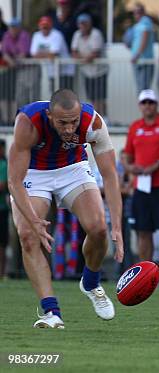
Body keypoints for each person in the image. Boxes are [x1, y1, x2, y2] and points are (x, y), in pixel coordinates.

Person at [8, 89, 123, 328]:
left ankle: (91, 282)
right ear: (49, 115)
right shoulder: (28, 122)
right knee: (28, 236)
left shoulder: (93, 122)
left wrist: (118, 227)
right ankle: (51, 312)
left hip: (72, 168)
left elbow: (110, 176)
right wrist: (34, 220)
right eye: (62, 122)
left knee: (99, 228)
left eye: (74, 122)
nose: (70, 129)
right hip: (33, 172)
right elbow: (14, 181)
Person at [123, 89, 159, 261]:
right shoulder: (135, 127)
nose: (147, 106)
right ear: (140, 106)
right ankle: (145, 271)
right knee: (142, 230)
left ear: (157, 105)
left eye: (151, 102)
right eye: (144, 103)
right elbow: (127, 155)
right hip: (141, 185)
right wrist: (130, 167)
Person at [71, 13, 108, 116]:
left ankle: (104, 118)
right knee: (92, 97)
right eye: (81, 24)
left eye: (85, 23)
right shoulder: (77, 34)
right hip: (87, 71)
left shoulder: (96, 34)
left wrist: (82, 58)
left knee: (101, 97)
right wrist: (84, 59)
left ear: (90, 24)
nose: (83, 26)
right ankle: (97, 117)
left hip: (100, 71)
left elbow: (95, 53)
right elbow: (74, 51)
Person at [30, 16, 74, 90]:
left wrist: (41, 54)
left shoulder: (57, 35)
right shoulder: (36, 35)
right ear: (39, 26)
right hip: (52, 72)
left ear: (51, 26)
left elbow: (54, 54)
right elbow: (34, 54)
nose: (45, 28)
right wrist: (48, 54)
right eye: (43, 26)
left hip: (65, 71)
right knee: (55, 95)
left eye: (46, 26)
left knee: (66, 96)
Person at [129, 3, 155, 92]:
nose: (137, 14)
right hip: (138, 62)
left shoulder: (145, 21)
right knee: (140, 90)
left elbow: (145, 39)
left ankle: (146, 106)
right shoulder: (137, 25)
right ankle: (141, 106)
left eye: (139, 12)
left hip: (144, 61)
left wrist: (137, 55)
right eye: (135, 12)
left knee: (144, 90)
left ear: (143, 12)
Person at [0, 139, 8, 279]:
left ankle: (2, 273)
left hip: (2, 209)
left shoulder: (4, 164)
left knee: (2, 243)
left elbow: (3, 185)